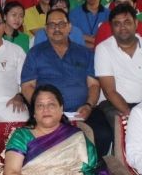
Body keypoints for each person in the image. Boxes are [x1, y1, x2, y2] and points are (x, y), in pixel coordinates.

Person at [21, 9, 112, 157]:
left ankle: (93, 170)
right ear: (46, 29)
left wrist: (89, 105)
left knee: (103, 134)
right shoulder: (35, 53)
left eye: (61, 24)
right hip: (47, 111)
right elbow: (27, 87)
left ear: (69, 27)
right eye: (52, 25)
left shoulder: (85, 53)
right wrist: (43, 107)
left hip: (81, 110)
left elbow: (94, 85)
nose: (56, 28)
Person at [93, 4, 142, 155]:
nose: (122, 27)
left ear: (136, 24)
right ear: (111, 27)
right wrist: (131, 114)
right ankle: (124, 172)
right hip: (112, 105)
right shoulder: (103, 48)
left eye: (127, 22)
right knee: (125, 130)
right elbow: (109, 91)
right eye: (117, 24)